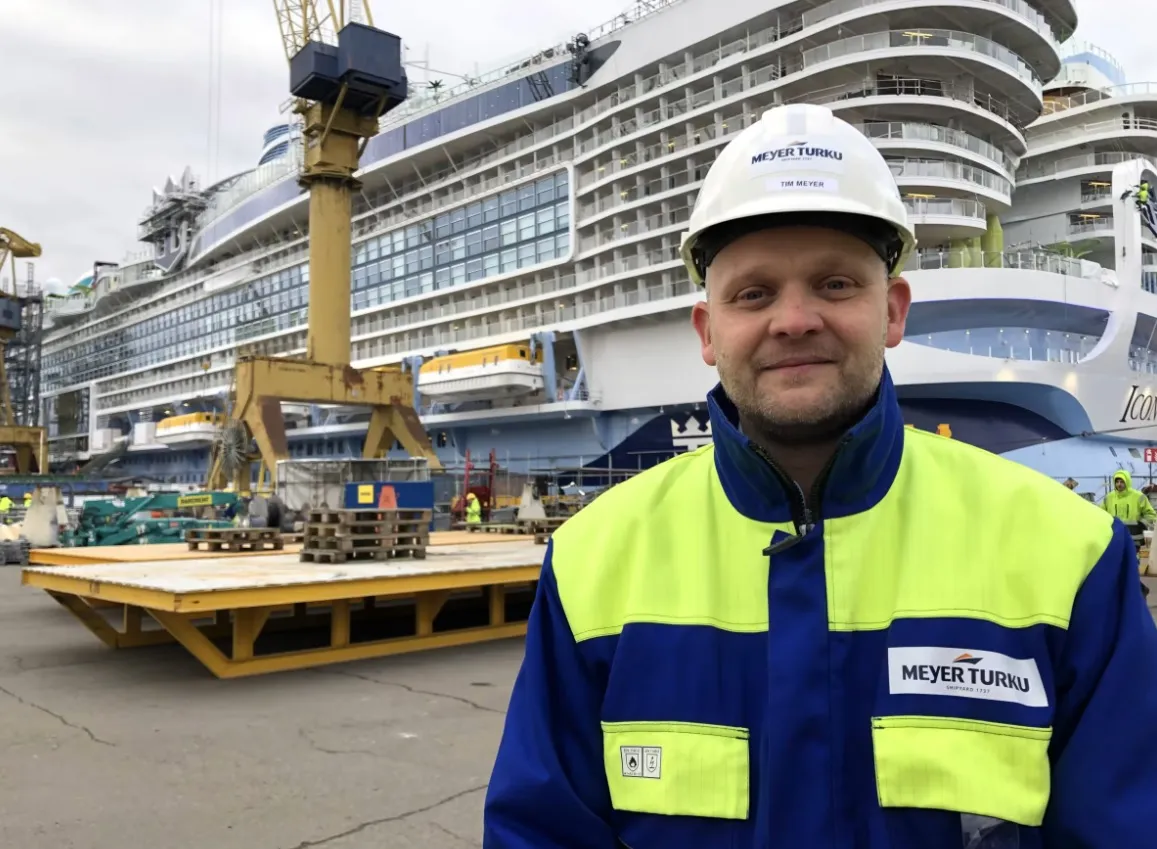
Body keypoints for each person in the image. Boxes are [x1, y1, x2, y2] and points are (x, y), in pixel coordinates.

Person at [483, 104, 1157, 848]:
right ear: (707, 332)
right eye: (754, 293)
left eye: (834, 284)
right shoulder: (592, 560)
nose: (794, 319)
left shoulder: (1070, 556)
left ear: (893, 312)